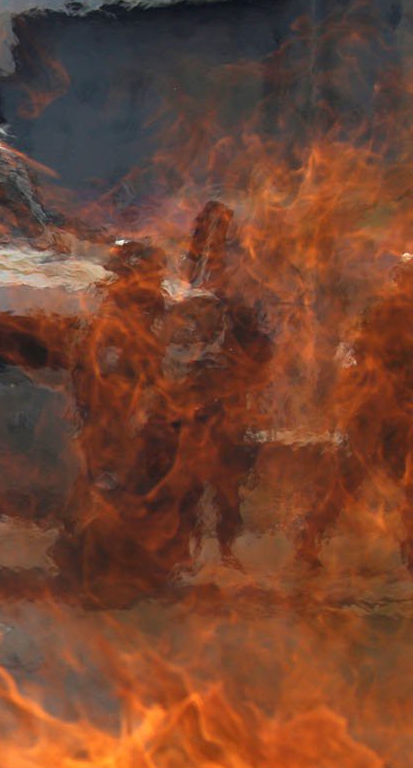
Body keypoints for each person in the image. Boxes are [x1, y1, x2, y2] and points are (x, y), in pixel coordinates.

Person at [51, 239, 187, 602]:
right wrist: (126, 415)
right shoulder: (113, 323)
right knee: (108, 490)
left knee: (138, 491)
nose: (156, 284)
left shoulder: (151, 319)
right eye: (149, 277)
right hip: (114, 422)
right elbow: (102, 376)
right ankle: (97, 576)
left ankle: (133, 573)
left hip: (136, 424)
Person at [168, 201, 274, 569]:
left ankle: (224, 549)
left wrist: (246, 382)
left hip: (226, 405)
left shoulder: (237, 308)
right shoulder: (188, 304)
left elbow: (262, 353)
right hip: (197, 404)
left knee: (227, 484)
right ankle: (188, 549)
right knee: (191, 482)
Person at [296, 254, 413, 572]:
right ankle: (308, 541)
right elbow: (358, 361)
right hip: (374, 414)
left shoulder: (387, 313)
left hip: (395, 415)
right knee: (348, 480)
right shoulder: (385, 316)